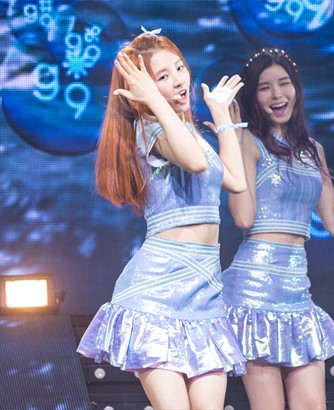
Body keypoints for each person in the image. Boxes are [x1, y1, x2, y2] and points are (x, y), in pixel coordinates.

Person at [76, 29, 249, 409]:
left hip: (204, 293)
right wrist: (155, 101)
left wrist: (222, 116)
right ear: (142, 88)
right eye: (163, 77)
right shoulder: (150, 128)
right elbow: (195, 162)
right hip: (157, 290)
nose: (179, 80)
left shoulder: (188, 132)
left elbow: (236, 181)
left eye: (180, 68)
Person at [220, 48, 334, 410]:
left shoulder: (313, 149)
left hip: (297, 290)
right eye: (265, 88)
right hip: (253, 290)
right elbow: (243, 218)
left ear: (296, 89)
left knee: (312, 404)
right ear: (253, 97)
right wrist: (232, 137)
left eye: (284, 84)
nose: (277, 95)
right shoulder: (248, 141)